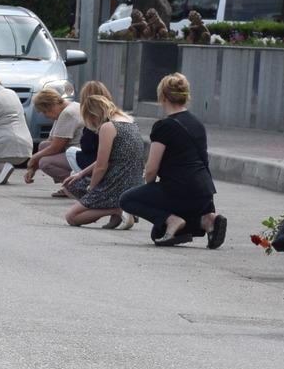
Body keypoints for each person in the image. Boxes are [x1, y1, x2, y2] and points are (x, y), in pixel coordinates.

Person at [121, 72, 227, 247]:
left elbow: (151, 169)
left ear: (162, 96)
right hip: (203, 192)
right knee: (158, 233)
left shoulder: (164, 126)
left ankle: (173, 220)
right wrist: (208, 204)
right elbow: (203, 161)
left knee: (127, 200)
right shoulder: (197, 124)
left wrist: (149, 191)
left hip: (178, 189)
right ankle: (206, 220)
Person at [62, 85, 149, 229]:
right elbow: (107, 160)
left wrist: (92, 190)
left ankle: (118, 210)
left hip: (117, 182)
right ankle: (118, 214)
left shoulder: (108, 127)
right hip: (133, 181)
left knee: (72, 217)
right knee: (72, 183)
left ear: (93, 115)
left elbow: (102, 166)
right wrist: (81, 174)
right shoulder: (129, 121)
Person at [22, 87, 82, 189]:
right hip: (75, 151)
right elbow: (49, 142)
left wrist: (34, 158)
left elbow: (56, 147)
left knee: (45, 163)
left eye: (45, 112)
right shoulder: (67, 109)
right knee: (43, 146)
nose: (46, 116)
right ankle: (71, 185)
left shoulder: (68, 113)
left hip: (80, 154)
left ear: (51, 106)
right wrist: (33, 169)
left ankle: (76, 186)